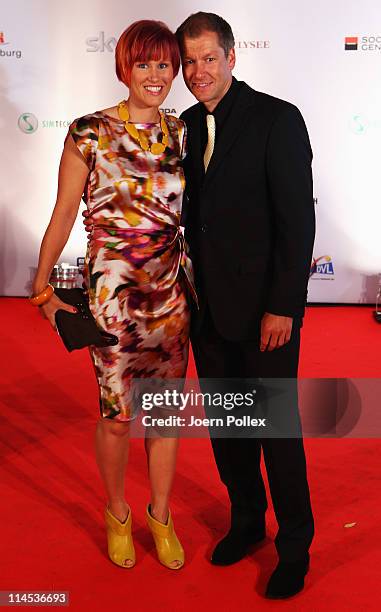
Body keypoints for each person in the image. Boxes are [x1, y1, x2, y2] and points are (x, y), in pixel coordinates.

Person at [29, 20, 195, 571]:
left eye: (165, 64)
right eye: (144, 63)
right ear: (124, 66)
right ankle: (118, 512)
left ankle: (162, 515)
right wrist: (42, 284)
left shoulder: (183, 132)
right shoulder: (88, 132)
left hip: (170, 296)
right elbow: (62, 212)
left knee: (165, 418)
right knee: (119, 417)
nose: (156, 75)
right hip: (112, 300)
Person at [175, 12, 316, 599]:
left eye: (209, 58)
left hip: (265, 316)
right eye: (189, 61)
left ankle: (295, 547)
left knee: (276, 434)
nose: (198, 71)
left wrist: (283, 305)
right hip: (206, 312)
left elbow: (297, 220)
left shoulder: (277, 118)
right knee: (230, 428)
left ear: (233, 57)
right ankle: (248, 523)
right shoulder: (181, 125)